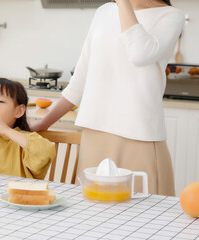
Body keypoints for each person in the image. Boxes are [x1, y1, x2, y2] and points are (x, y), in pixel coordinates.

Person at [31, 0, 184, 196]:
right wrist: (43, 124)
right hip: (95, 133)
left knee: (143, 218)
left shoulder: (171, 15)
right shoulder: (104, 12)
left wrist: (124, 3)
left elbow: (140, 54)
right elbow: (80, 82)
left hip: (139, 135)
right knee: (93, 216)